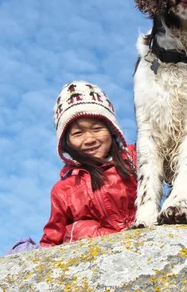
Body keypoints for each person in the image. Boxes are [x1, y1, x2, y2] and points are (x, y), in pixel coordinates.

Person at [39, 81, 137, 247]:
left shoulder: (135, 158)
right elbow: (51, 240)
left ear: (112, 130)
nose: (90, 139)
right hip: (94, 258)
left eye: (97, 129)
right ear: (66, 141)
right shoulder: (63, 190)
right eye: (78, 133)